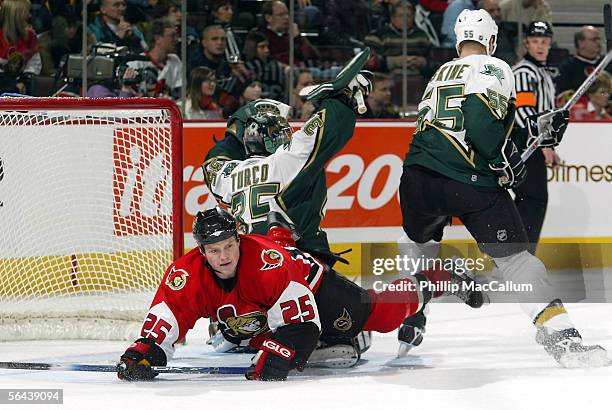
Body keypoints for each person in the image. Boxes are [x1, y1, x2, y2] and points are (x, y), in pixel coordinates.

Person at [397, 9, 606, 367]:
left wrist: (533, 132)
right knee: (517, 261)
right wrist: (504, 163)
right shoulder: (493, 67)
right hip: (466, 181)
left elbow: (465, 124)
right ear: (491, 41)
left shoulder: (439, 74)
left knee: (420, 243)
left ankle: (412, 316)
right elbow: (480, 124)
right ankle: (562, 340)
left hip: (415, 180)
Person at [116, 207, 484, 381]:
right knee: (238, 334)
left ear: (239, 240)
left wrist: (282, 352)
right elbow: (171, 311)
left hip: (314, 287)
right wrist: (146, 348)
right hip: (264, 307)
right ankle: (343, 337)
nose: (223, 256)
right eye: (214, 251)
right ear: (201, 251)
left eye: (229, 246)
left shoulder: (267, 263)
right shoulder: (187, 272)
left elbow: (302, 324)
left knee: (381, 315)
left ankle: (440, 276)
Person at [201, 49, 372, 265]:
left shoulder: (228, 174)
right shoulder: (284, 160)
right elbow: (326, 130)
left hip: (248, 263)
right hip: (292, 261)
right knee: (357, 299)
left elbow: (213, 162)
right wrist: (342, 98)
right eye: (283, 132)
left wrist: (239, 125)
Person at [511, 21, 559, 254]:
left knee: (534, 200)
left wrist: (549, 144)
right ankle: (519, 258)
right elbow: (523, 112)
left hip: (534, 145)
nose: (540, 46)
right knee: (531, 200)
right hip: (524, 145)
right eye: (535, 41)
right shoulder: (523, 71)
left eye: (544, 42)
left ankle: (521, 257)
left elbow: (543, 114)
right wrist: (542, 142)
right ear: (526, 43)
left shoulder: (543, 74)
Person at [364, 2, 431, 76]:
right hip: (386, 80)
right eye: (401, 16)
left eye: (408, 16)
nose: (405, 19)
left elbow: (434, 62)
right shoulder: (377, 36)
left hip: (418, 80)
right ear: (392, 18)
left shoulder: (421, 36)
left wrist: (422, 62)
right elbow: (369, 62)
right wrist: (395, 61)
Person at [556, 25, 612, 102]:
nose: (599, 43)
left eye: (599, 39)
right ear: (581, 43)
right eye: (594, 39)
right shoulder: (568, 67)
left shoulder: (608, 62)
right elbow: (563, 96)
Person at [0, 0, 42, 94]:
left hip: (23, 87)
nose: (30, 16)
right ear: (16, 16)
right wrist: (11, 85)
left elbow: (34, 65)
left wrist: (23, 81)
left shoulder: (30, 36)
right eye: (27, 12)